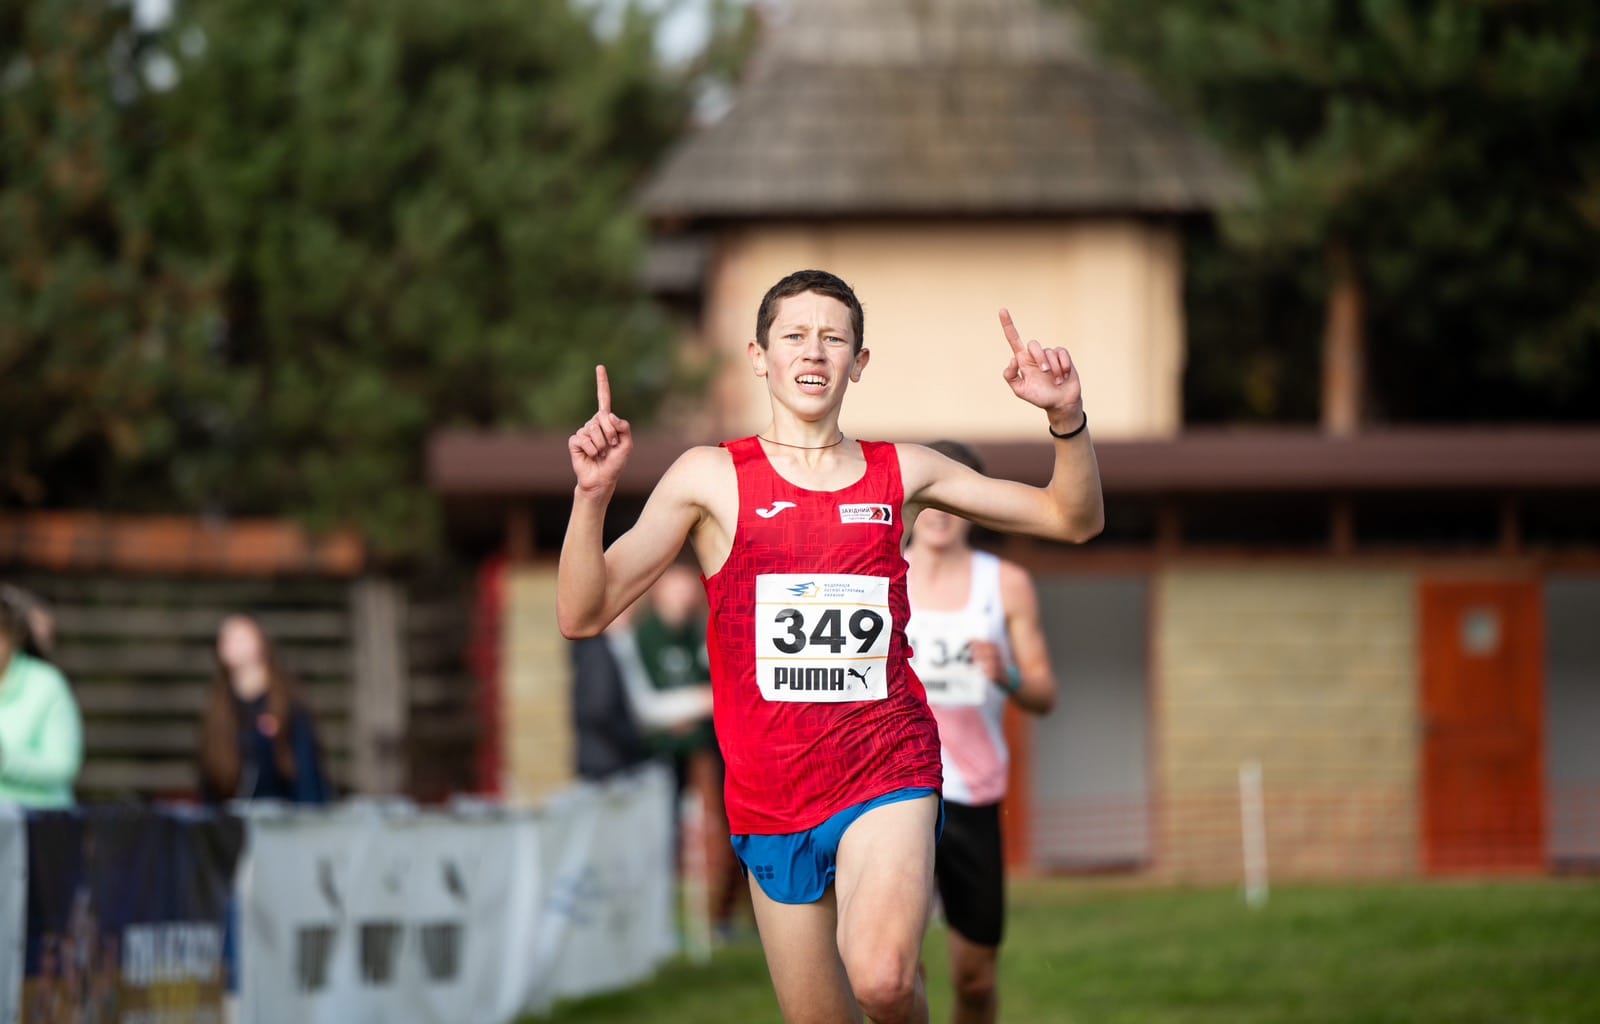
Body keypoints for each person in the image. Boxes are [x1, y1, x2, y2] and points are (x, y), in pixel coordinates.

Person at [558, 269, 1102, 1023]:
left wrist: (1067, 419)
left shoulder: (902, 470)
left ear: (859, 361)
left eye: (834, 336)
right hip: (769, 793)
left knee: (882, 979)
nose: (814, 351)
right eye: (794, 335)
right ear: (759, 354)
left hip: (888, 765)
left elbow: (1071, 518)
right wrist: (591, 498)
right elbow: (583, 611)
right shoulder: (710, 478)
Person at [905, 440, 1059, 1024]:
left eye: (956, 494)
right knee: (895, 975)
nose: (942, 510)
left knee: (973, 979)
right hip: (892, 791)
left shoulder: (1007, 583)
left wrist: (1008, 674)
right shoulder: (877, 570)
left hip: (973, 795)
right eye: (932, 494)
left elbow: (1045, 695)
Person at [197, 614, 331, 804]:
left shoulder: (287, 703)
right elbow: (210, 776)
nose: (232, 644)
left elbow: (306, 770)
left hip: (285, 818)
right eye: (226, 639)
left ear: (261, 643)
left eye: (241, 637)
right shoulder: (219, 709)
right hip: (234, 822)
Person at [0, 589, 83, 808]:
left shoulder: (48, 685)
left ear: (12, 638)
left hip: (39, 826)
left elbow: (64, 766)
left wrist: (4, 760)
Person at [570, 603, 653, 782]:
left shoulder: (613, 645)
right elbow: (599, 707)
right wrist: (635, 739)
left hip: (607, 759)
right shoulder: (597, 650)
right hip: (606, 763)